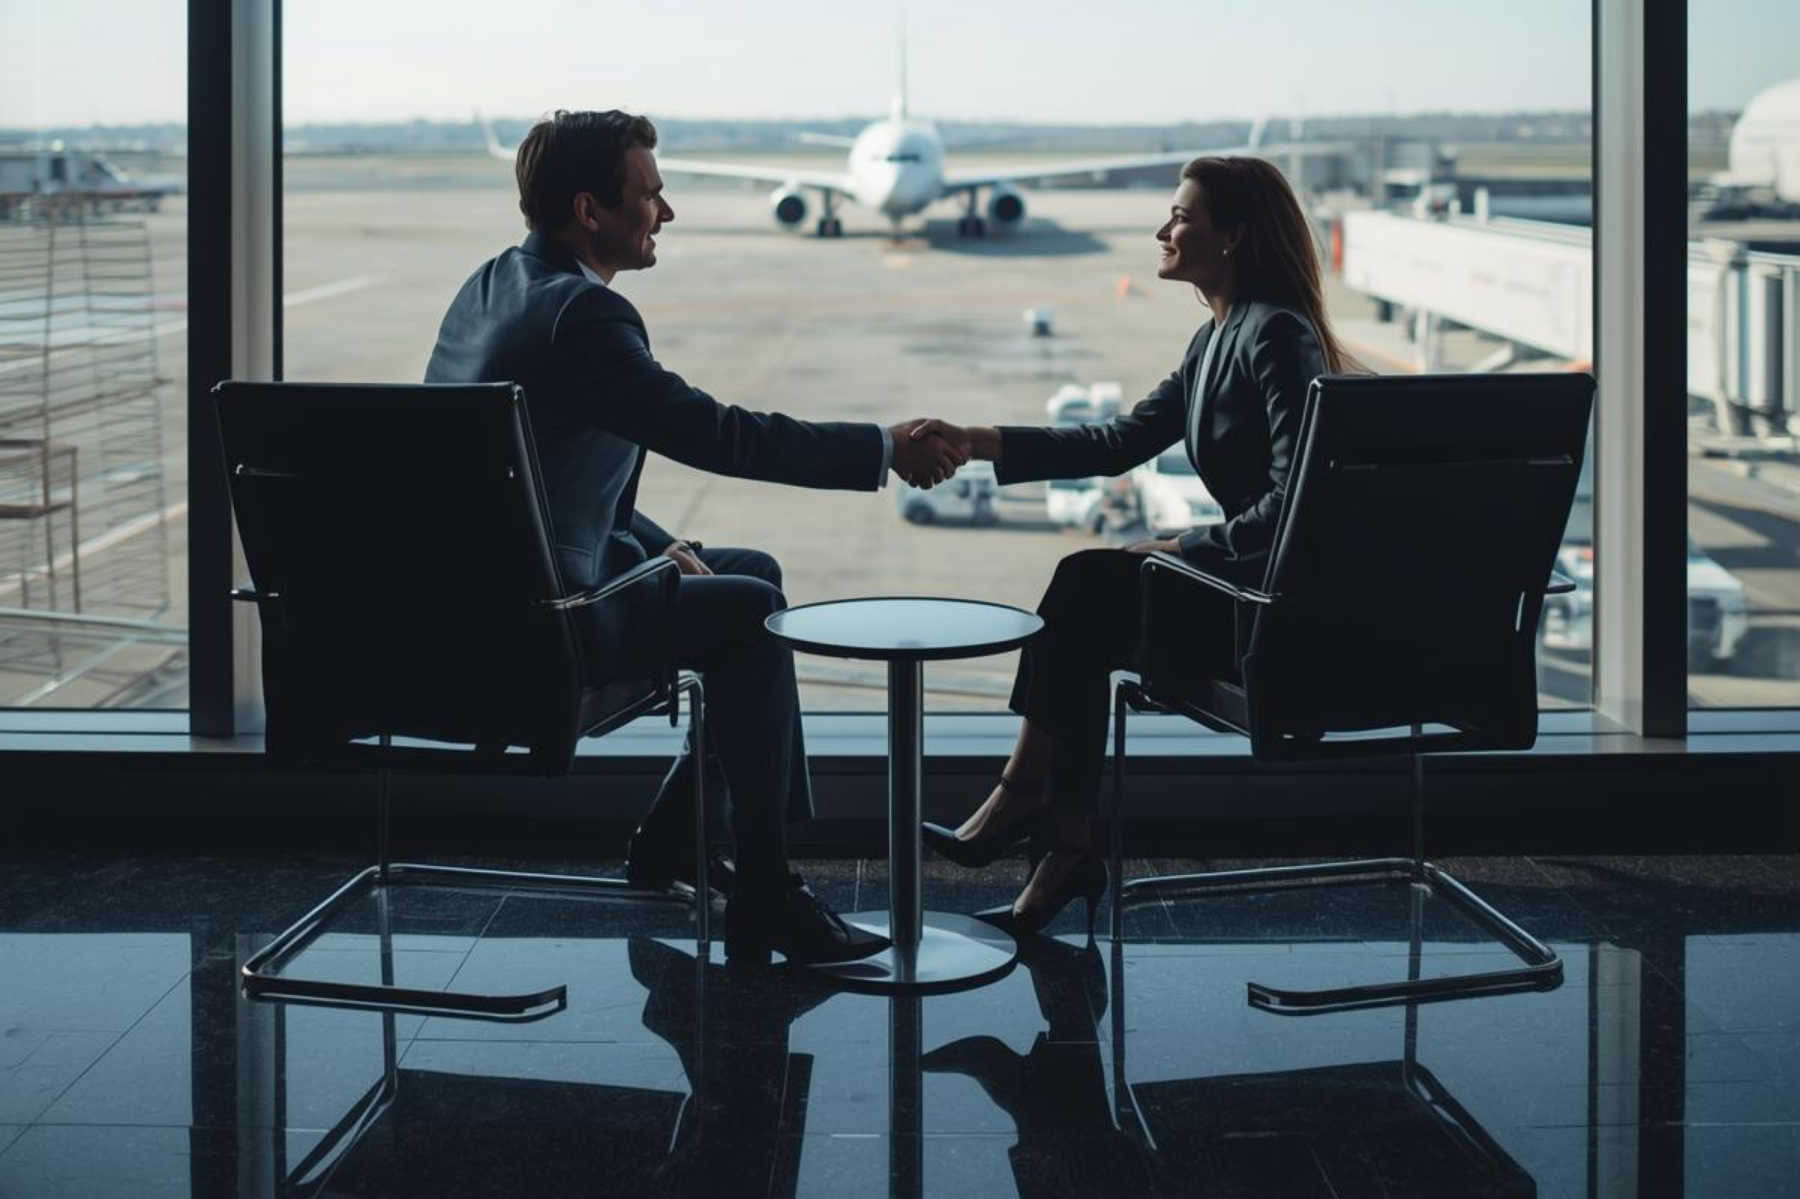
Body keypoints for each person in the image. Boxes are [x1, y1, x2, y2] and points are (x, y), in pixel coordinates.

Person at [426, 108, 966, 966]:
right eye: (651, 195)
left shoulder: (493, 283)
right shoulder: (584, 317)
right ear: (590, 210)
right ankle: (765, 890)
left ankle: (680, 837)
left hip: (480, 587)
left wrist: (655, 543)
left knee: (745, 570)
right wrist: (881, 447)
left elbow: (528, 480)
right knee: (751, 611)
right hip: (542, 617)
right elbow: (720, 435)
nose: (666, 213)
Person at [915, 156, 1361, 936]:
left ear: (1234, 236)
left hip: (1273, 611)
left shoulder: (1277, 336)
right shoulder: (1215, 337)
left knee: (1088, 588)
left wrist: (1187, 545)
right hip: (1240, 593)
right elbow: (1117, 441)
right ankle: (1062, 847)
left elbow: (1300, 507)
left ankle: (1031, 809)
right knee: (1087, 605)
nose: (1163, 230)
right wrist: (976, 439)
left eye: (1182, 216)